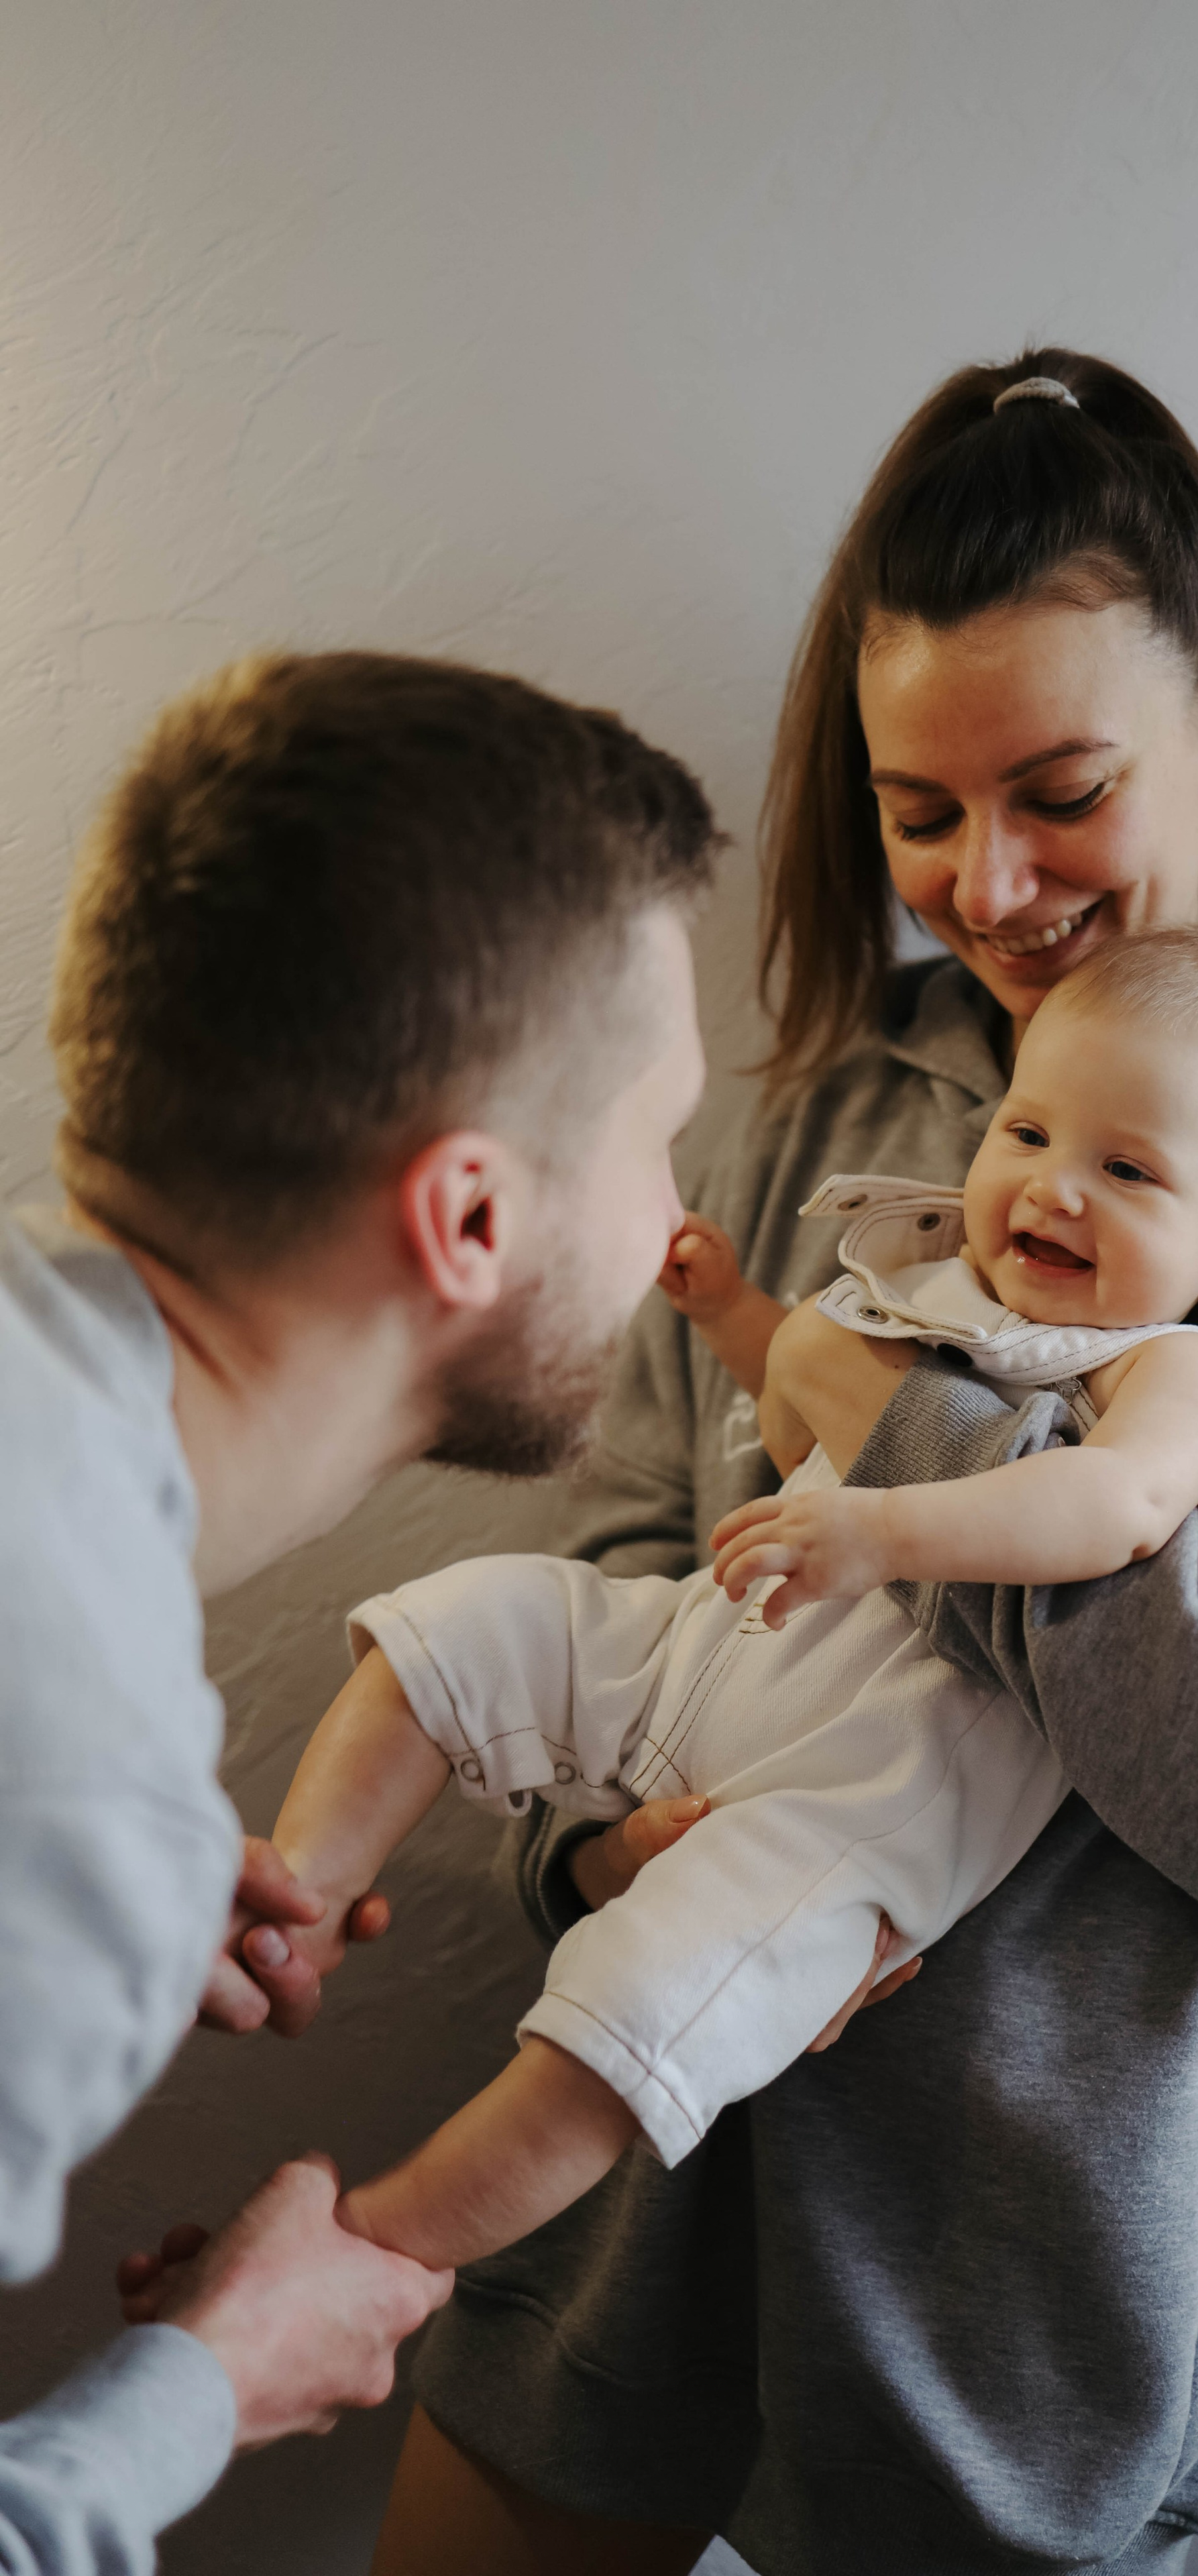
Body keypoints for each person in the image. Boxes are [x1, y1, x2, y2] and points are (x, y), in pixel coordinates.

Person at [359, 350, 1198, 2576]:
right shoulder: (840, 1094)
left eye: (1061, 788)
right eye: (918, 812)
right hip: (628, 2190)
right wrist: (603, 1861)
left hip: (1009, 2325)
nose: (983, 887)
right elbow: (632, 1555)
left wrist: (884, 1434)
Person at [227, 927, 1198, 2266]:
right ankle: (297, 1902)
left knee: (628, 2021)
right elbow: (797, 1391)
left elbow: (1114, 1512)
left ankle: (372, 2247)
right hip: (697, 1650)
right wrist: (732, 1315)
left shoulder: (1163, 1369)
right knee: (461, 1626)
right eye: (1029, 1133)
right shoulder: (936, 1282)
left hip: (848, 1817)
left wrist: (884, 1526)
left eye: (1126, 1168)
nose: (1052, 1190)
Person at [0, 648, 716, 2574]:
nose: (675, 1228)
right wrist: (211, 2383)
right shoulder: (65, 1776)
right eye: (655, 1136)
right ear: (472, 1219)